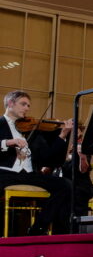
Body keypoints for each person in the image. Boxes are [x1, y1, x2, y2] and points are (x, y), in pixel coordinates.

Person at [0, 90, 74, 235]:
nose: (27, 108)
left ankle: (38, 228)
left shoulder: (33, 129)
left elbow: (50, 158)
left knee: (65, 185)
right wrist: (9, 142)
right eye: (23, 104)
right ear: (10, 103)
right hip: (4, 173)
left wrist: (62, 135)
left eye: (28, 105)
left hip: (29, 174)